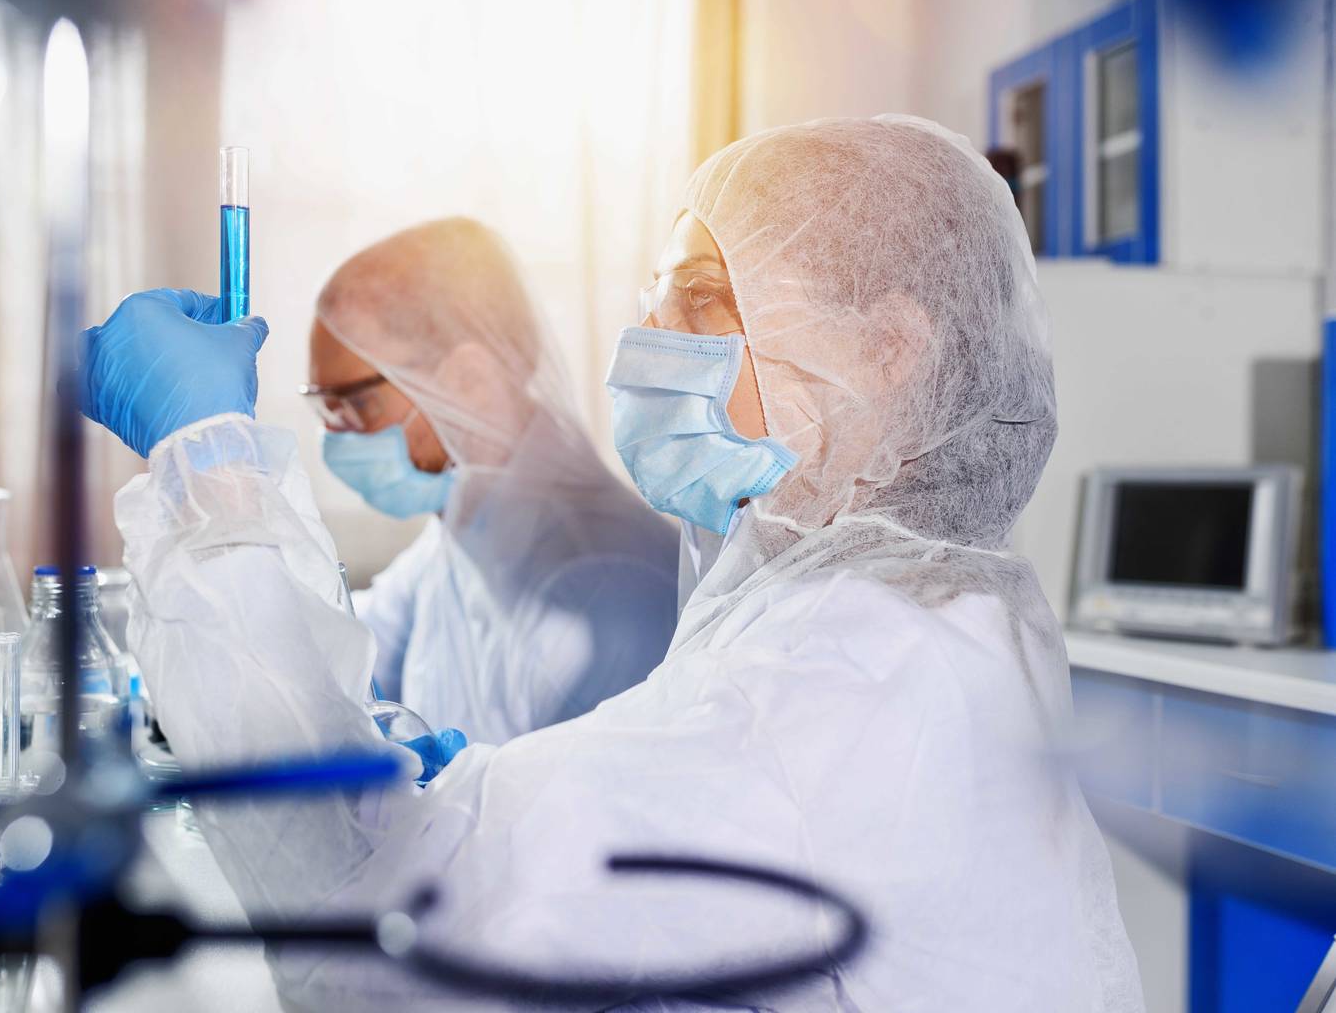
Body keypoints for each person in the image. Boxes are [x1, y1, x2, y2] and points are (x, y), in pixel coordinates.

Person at [80, 116, 1144, 1010]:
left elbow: (374, 914)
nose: (645, 335)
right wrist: (466, 785)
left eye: (697, 299)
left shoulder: (854, 676)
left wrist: (206, 466)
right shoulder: (905, 614)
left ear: (885, 350)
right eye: (651, 295)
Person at [302, 219, 679, 744]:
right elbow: (335, 665)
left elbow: (578, 820)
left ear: (469, 381)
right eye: (324, 405)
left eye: (356, 403)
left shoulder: (606, 590)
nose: (333, 434)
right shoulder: (467, 529)